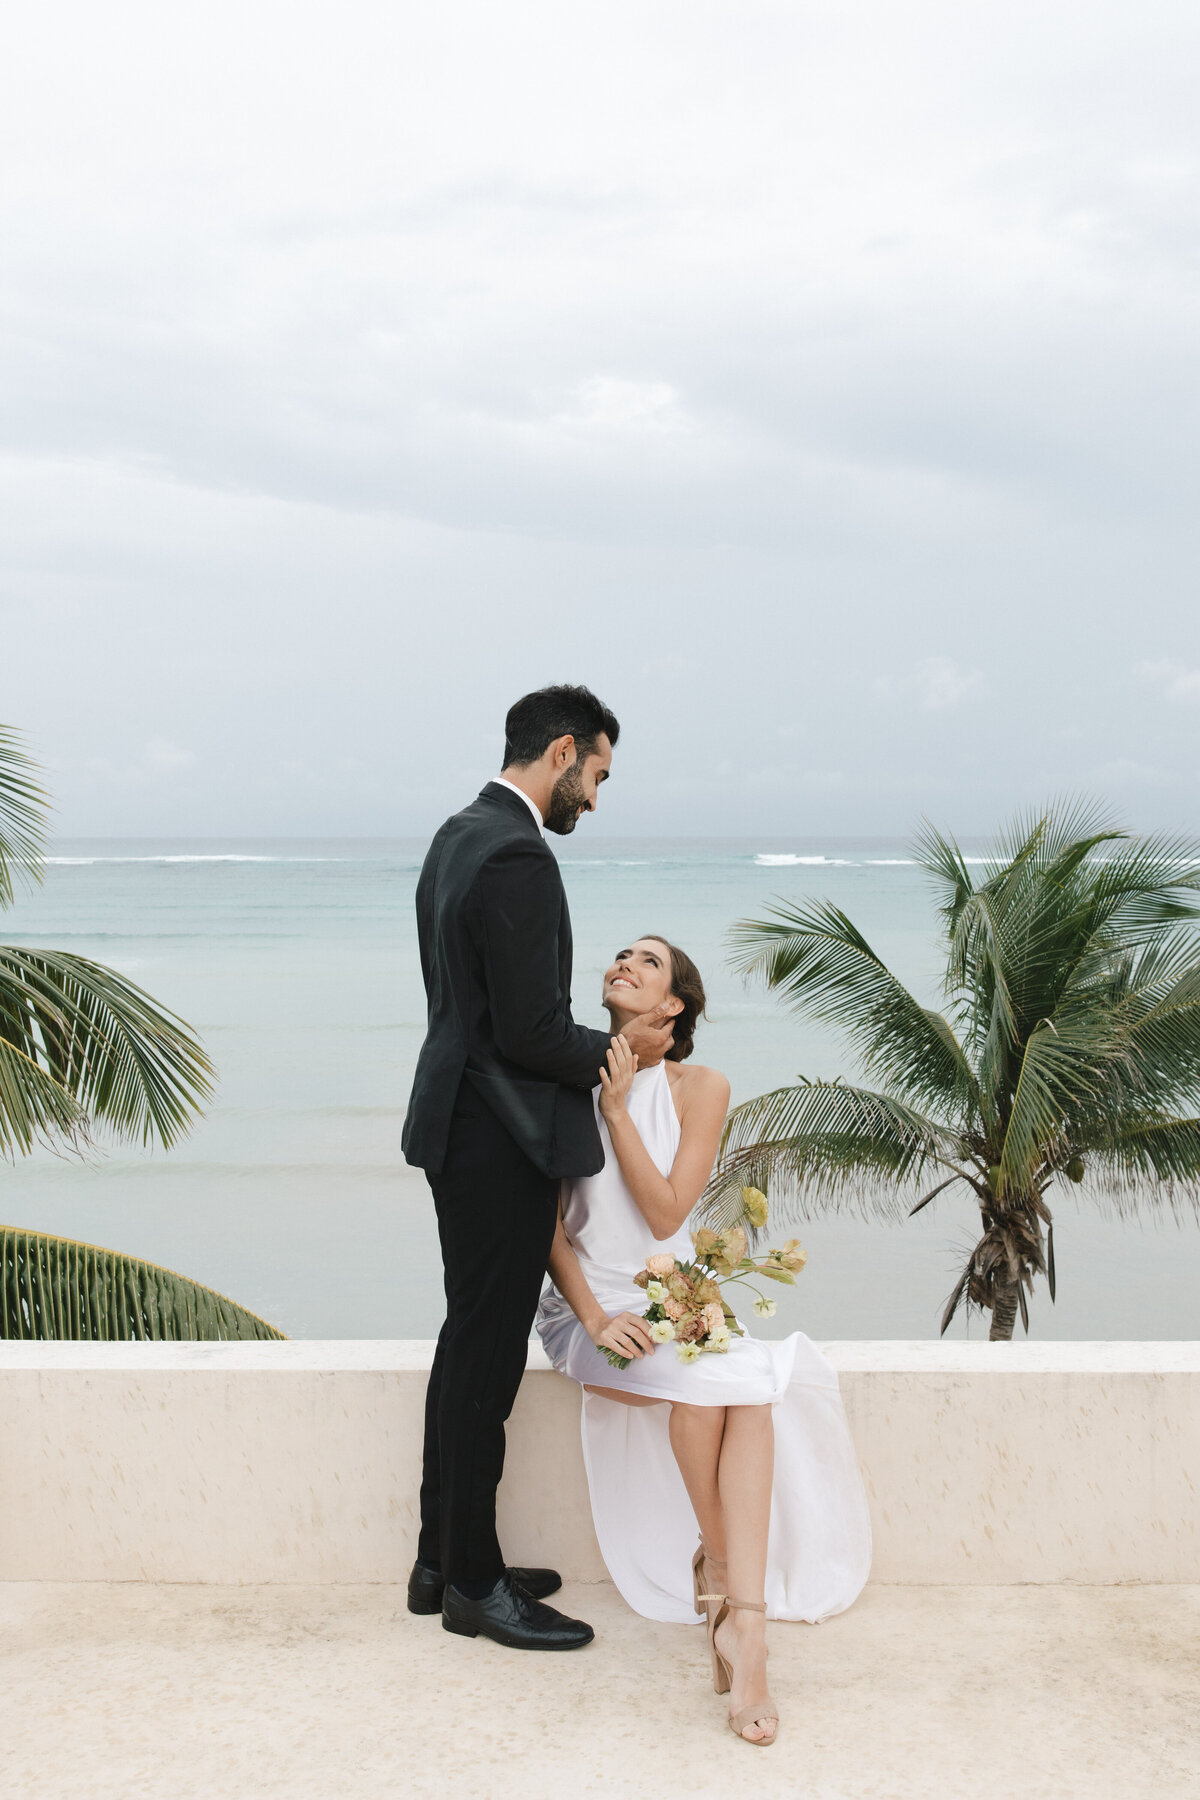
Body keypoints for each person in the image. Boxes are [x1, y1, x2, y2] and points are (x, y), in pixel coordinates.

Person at [536, 936, 872, 1744]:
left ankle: (739, 1620)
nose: (625, 962)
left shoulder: (701, 1087)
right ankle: (733, 1602)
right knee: (727, 1388)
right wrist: (589, 1317)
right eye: (620, 955)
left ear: (673, 1004)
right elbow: (543, 1227)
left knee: (739, 1390)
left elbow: (665, 1215)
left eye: (647, 962)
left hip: (678, 1292)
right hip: (590, 1307)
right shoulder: (560, 1082)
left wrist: (618, 1111)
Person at [402, 685, 676, 1651]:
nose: (594, 800)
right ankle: (474, 1582)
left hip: (456, 1121)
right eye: (597, 775)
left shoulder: (455, 834)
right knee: (485, 1359)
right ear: (563, 753)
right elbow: (526, 1031)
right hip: (493, 1138)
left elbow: (471, 1011)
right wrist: (624, 1056)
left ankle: (444, 1557)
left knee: (468, 1341)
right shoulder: (518, 853)